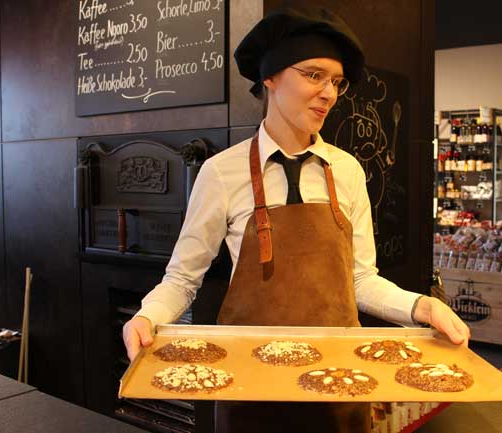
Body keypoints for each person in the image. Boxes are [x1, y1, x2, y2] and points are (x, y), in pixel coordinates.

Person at [123, 6, 470, 433]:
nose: (329, 93)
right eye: (313, 75)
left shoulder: (346, 171)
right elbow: (182, 281)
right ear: (269, 78)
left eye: (337, 82)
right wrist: (146, 318)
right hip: (250, 389)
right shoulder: (221, 173)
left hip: (339, 386)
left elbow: (360, 280)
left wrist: (422, 306)